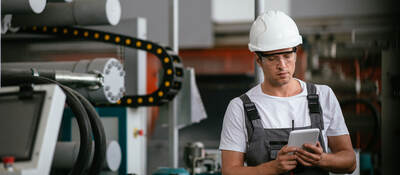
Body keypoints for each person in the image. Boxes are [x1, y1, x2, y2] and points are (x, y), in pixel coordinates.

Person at [219, 10, 356, 175]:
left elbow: (350, 162)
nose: (282, 65)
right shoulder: (240, 108)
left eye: (287, 55)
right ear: (258, 60)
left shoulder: (323, 96)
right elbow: (229, 171)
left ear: (296, 53)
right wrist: (272, 168)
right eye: (272, 58)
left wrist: (322, 159)